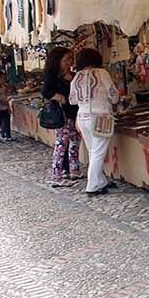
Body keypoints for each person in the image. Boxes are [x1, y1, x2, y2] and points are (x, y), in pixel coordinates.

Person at [70, 48, 118, 197]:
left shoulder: (77, 76)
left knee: (93, 150)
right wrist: (114, 100)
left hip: (82, 117)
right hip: (100, 116)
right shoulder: (101, 73)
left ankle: (101, 181)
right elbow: (113, 94)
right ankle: (92, 185)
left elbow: (72, 100)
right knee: (98, 152)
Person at [42, 47, 82, 188]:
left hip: (73, 114)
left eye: (70, 59)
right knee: (61, 144)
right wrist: (59, 97)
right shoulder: (52, 76)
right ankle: (57, 176)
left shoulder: (71, 74)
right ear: (57, 61)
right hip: (62, 115)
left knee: (75, 141)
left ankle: (74, 169)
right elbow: (46, 91)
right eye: (66, 60)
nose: (69, 62)